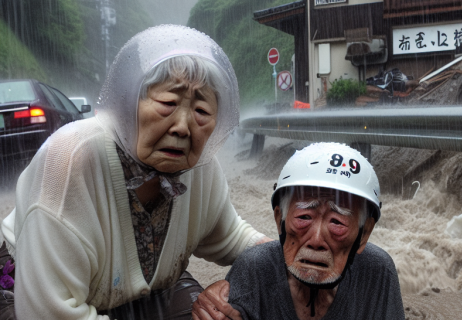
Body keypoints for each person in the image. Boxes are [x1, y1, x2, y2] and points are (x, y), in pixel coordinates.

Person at [0, 25, 270, 319]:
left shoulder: (201, 167)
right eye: (168, 103)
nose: (182, 126)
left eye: (202, 112)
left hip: (142, 291)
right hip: (33, 293)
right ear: (128, 103)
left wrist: (293, 250)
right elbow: (48, 312)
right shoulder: (69, 161)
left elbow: (230, 237)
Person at [193, 143, 405, 320]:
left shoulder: (377, 272)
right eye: (304, 217)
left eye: (337, 222)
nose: (316, 240)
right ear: (280, 219)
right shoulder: (253, 270)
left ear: (364, 234)